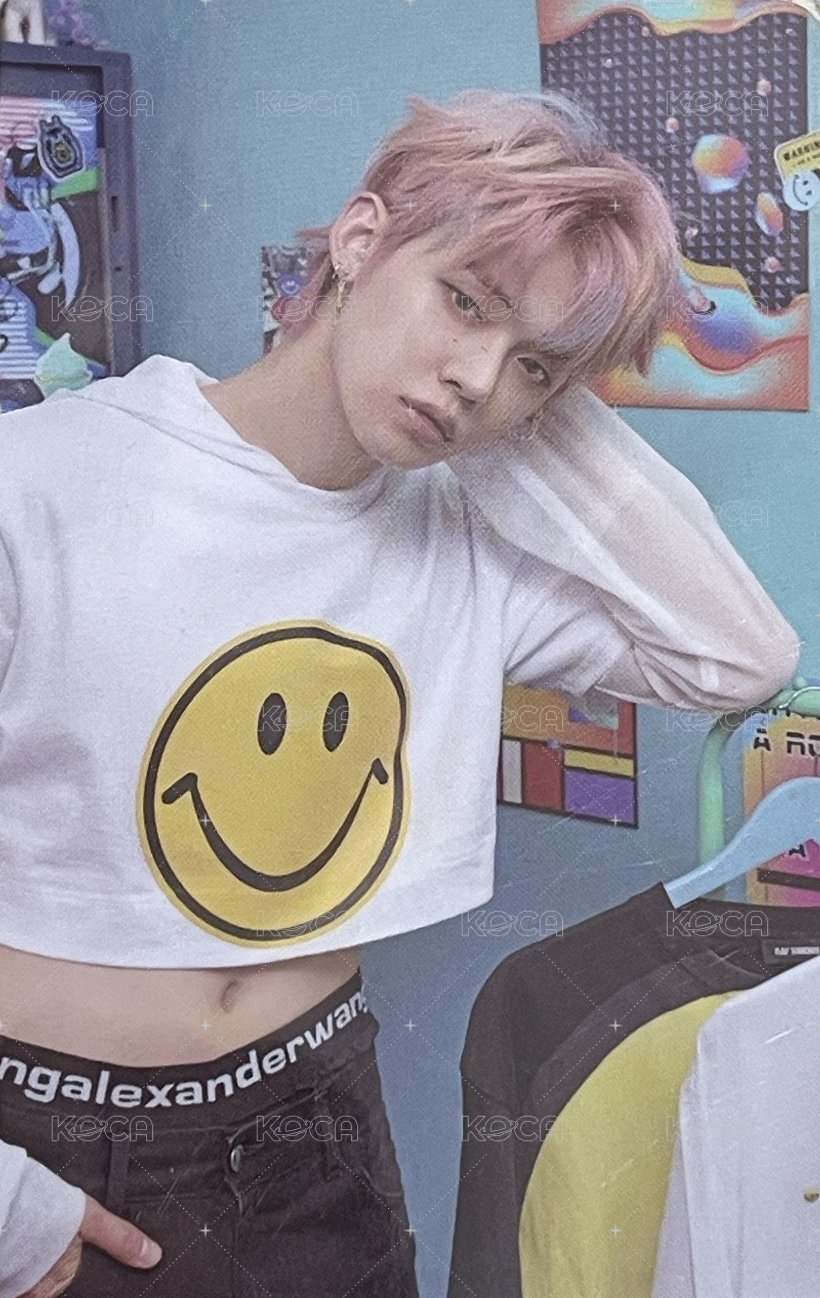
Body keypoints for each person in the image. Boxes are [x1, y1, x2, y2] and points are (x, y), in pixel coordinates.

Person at [0, 86, 799, 1298]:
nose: (476, 375)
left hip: (317, 1131)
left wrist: (526, 394)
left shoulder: (462, 551)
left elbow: (736, 658)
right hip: (59, 1146)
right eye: (462, 298)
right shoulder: (44, 480)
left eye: (533, 368)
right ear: (360, 237)